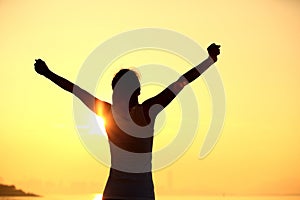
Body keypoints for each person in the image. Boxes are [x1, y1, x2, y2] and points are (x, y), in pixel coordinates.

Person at [34, 43, 220, 200]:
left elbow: (75, 90)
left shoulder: (108, 113)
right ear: (137, 91)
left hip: (114, 193)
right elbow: (182, 82)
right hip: (142, 194)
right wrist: (210, 60)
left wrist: (47, 73)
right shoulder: (147, 111)